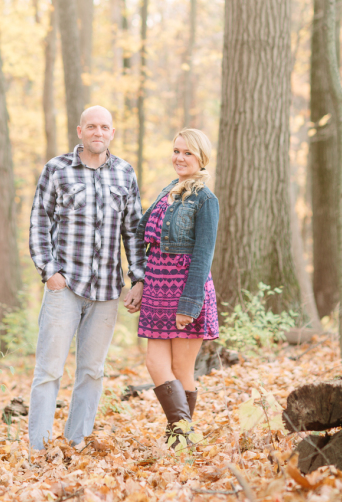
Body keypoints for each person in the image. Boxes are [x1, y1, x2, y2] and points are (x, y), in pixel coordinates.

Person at [28, 105, 145, 451]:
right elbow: (39, 221)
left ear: (112, 133)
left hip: (107, 290)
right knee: (49, 370)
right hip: (65, 286)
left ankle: (76, 443)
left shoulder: (125, 173)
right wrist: (49, 272)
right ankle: (39, 448)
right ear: (80, 131)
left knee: (92, 371)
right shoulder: (57, 169)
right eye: (91, 126)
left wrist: (138, 278)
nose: (98, 132)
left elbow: (134, 233)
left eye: (104, 126)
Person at [136, 128, 219, 446]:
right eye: (176, 151)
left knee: (182, 368)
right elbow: (149, 244)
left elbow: (203, 255)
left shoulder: (205, 200)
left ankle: (180, 437)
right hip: (157, 290)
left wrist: (190, 304)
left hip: (185, 290)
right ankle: (181, 433)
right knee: (155, 363)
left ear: (201, 158)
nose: (179, 158)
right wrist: (140, 283)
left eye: (187, 153)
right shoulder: (168, 190)